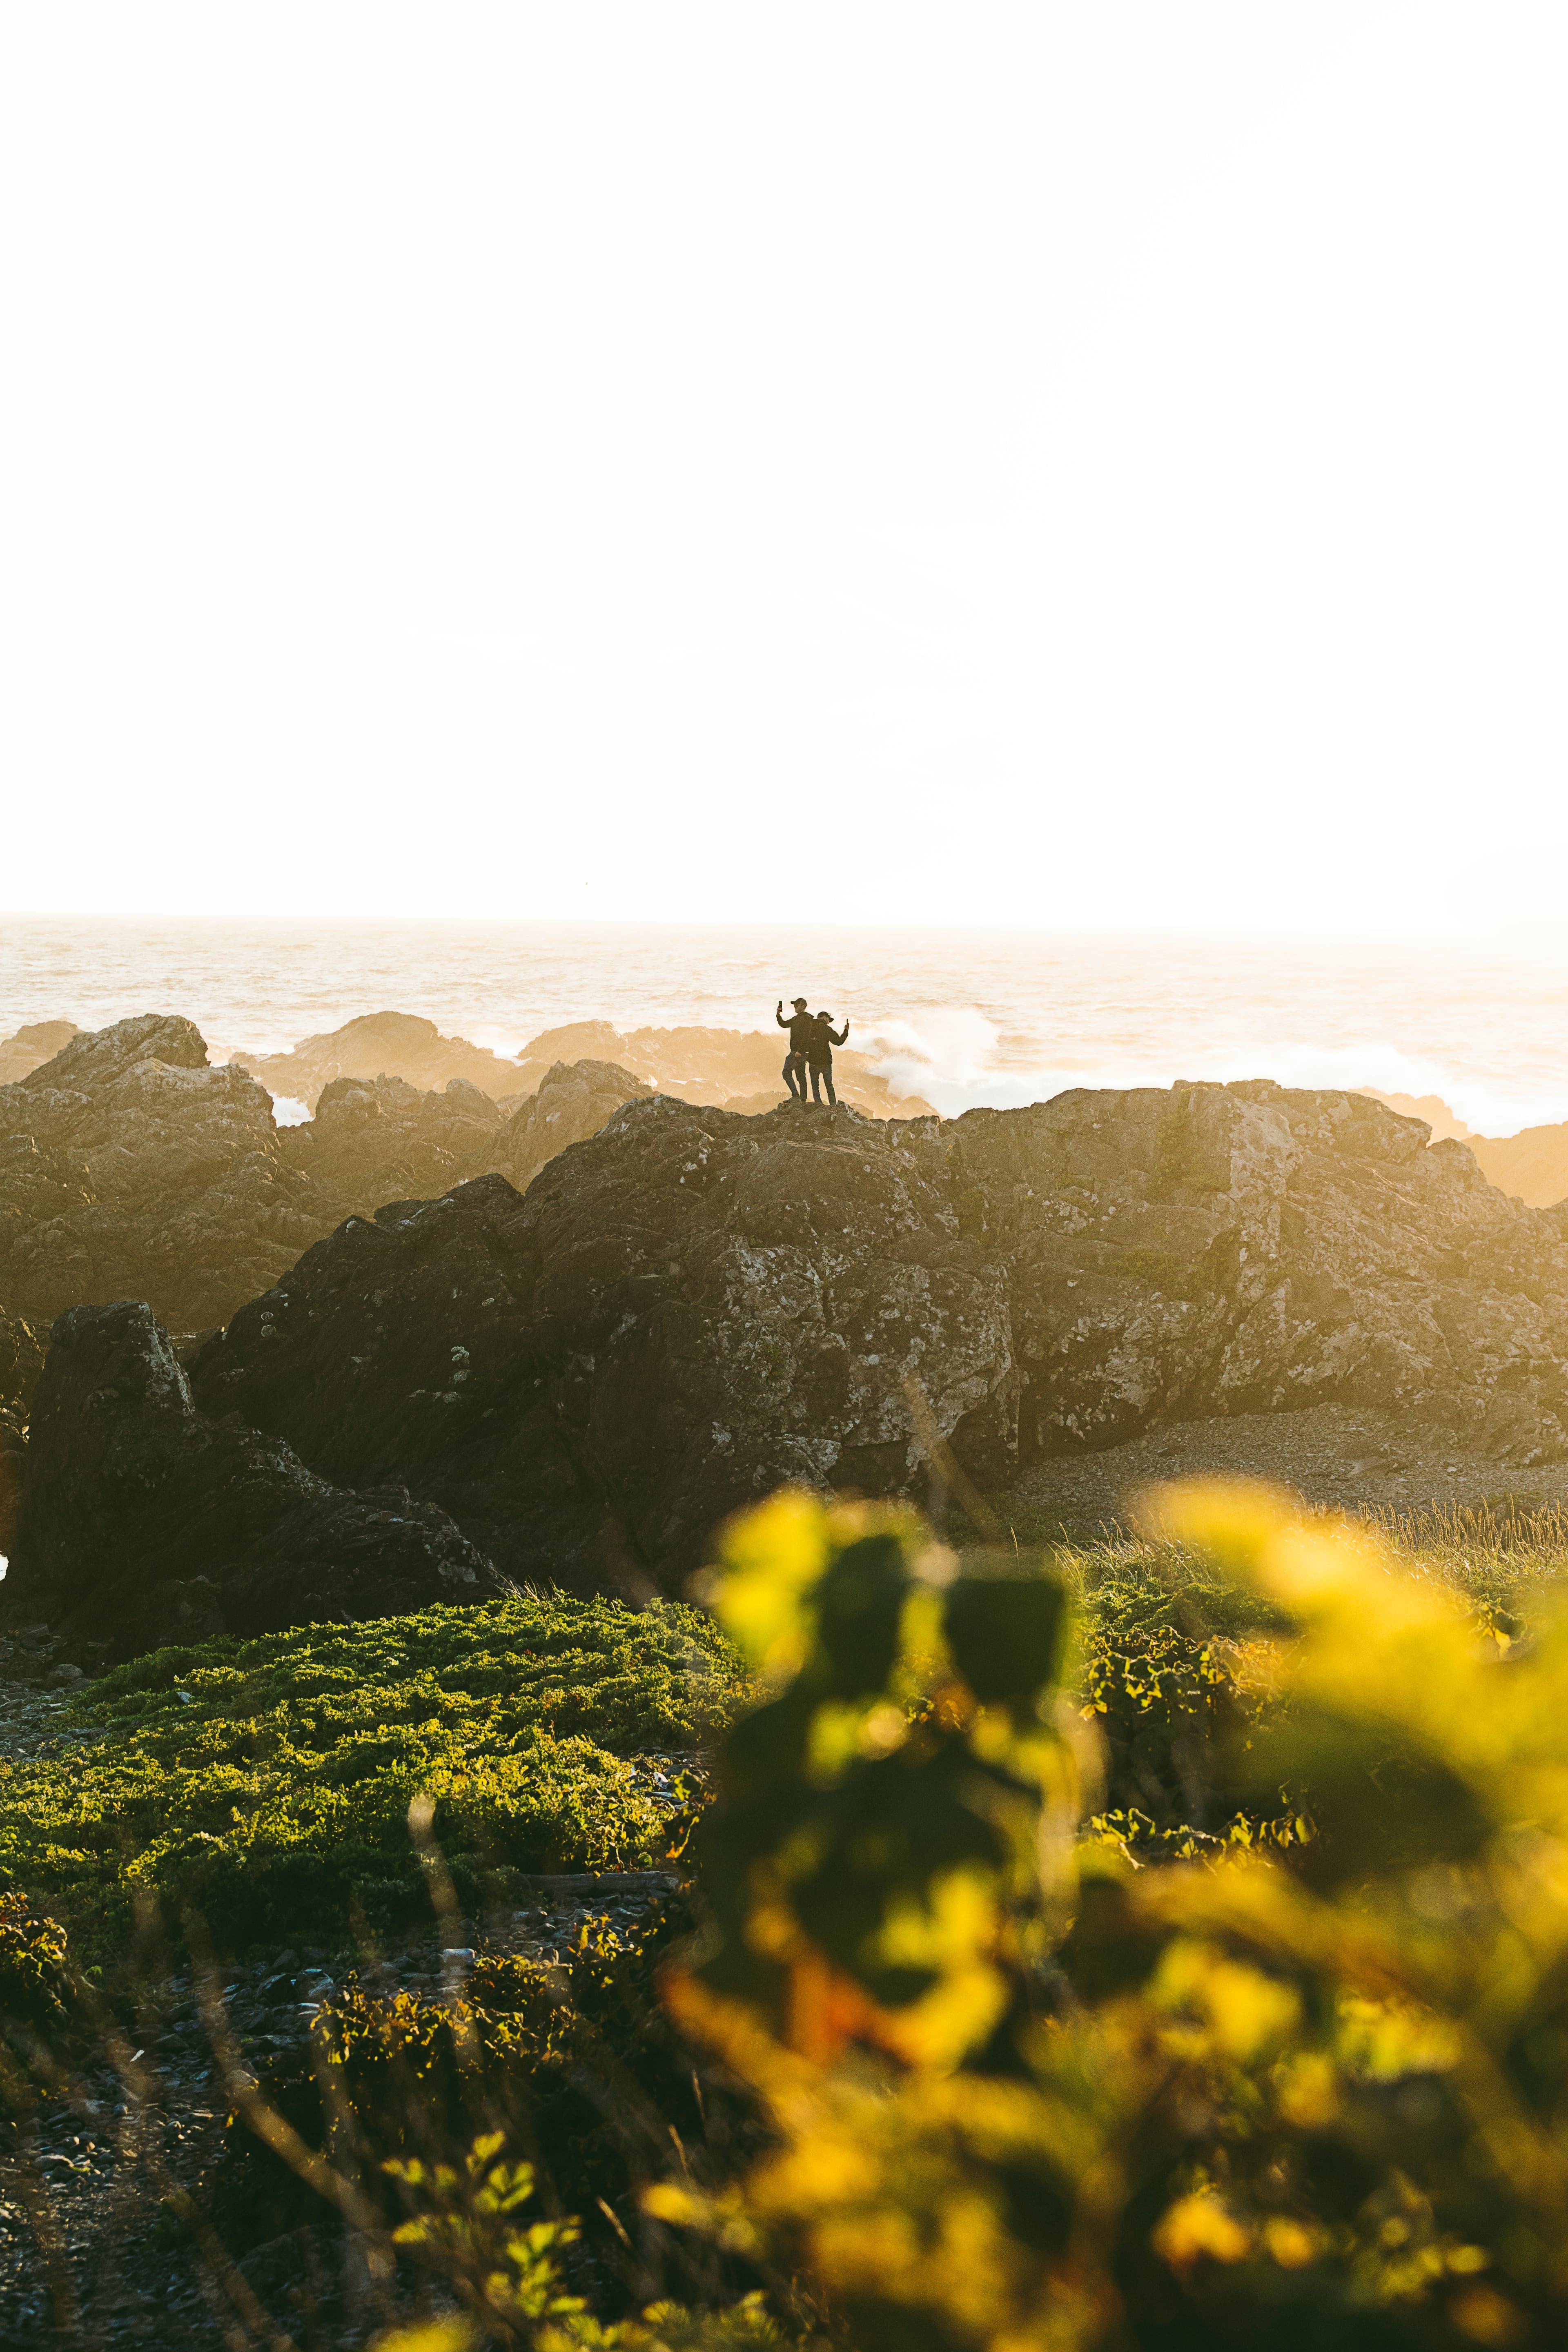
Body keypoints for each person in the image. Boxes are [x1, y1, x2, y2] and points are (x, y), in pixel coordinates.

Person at [806, 1009, 849, 1105]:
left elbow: (804, 1042)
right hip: (826, 1062)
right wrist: (846, 1031)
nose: (829, 1022)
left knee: (815, 1087)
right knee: (829, 1086)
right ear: (824, 1018)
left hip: (813, 1062)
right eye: (828, 1019)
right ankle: (833, 1106)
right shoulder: (827, 1029)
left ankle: (818, 1105)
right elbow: (839, 1042)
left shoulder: (810, 1028)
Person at [775, 996, 815, 1100]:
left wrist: (800, 1051)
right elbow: (784, 1025)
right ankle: (802, 1100)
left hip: (799, 1052)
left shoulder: (806, 1019)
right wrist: (778, 1015)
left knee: (786, 1072)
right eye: (794, 1005)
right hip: (801, 1051)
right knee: (801, 1076)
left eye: (797, 1005)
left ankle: (796, 1096)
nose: (795, 1007)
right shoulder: (796, 1019)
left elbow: (807, 1035)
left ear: (804, 1006)